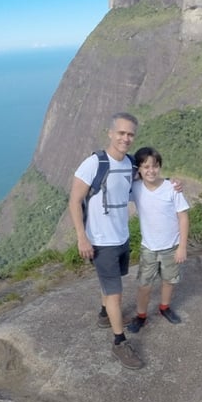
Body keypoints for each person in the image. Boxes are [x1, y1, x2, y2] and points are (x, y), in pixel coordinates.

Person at [68, 112, 143, 370]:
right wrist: (82, 237)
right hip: (101, 242)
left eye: (130, 134)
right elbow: (75, 200)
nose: (125, 138)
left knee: (112, 283)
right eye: (121, 133)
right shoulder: (95, 163)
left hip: (122, 237)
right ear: (110, 133)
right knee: (116, 294)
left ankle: (103, 315)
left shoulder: (131, 164)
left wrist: (172, 185)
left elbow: (145, 184)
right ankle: (119, 342)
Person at [126, 147, 190, 334]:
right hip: (149, 248)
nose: (150, 171)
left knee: (169, 281)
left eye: (154, 166)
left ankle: (164, 307)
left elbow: (183, 217)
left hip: (172, 246)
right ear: (139, 169)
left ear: (160, 166)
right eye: (145, 167)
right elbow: (118, 190)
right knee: (144, 285)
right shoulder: (136, 188)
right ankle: (141, 315)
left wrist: (182, 247)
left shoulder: (171, 188)